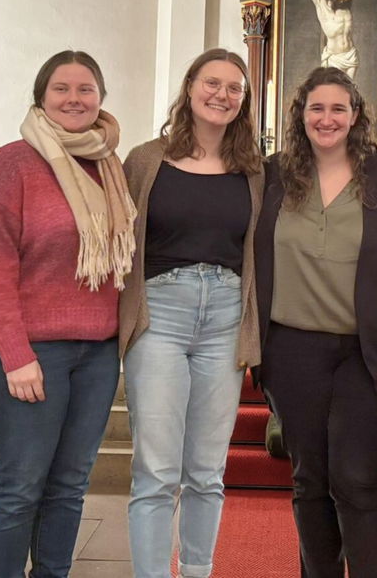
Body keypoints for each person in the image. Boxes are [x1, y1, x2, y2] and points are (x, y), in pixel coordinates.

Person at [0, 50, 135, 578]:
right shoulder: (11, 163)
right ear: (41, 97)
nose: (74, 99)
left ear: (101, 98)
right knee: (20, 486)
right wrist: (16, 355)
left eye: (85, 89)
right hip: (27, 352)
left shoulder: (109, 166)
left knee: (69, 485)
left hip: (96, 353)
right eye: (61, 88)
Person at [253, 67, 377, 578]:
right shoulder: (272, 175)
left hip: (367, 353)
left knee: (357, 476)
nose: (327, 119)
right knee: (309, 478)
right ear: (300, 115)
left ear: (355, 116)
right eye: (316, 108)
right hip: (290, 351)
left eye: (338, 109)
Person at [117, 48, 264, 578]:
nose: (222, 95)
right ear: (190, 87)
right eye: (212, 83)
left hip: (225, 318)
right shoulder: (145, 159)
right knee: (156, 469)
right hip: (160, 315)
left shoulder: (254, 171)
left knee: (206, 470)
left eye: (234, 88)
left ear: (244, 101)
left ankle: (198, 570)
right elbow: (118, 243)